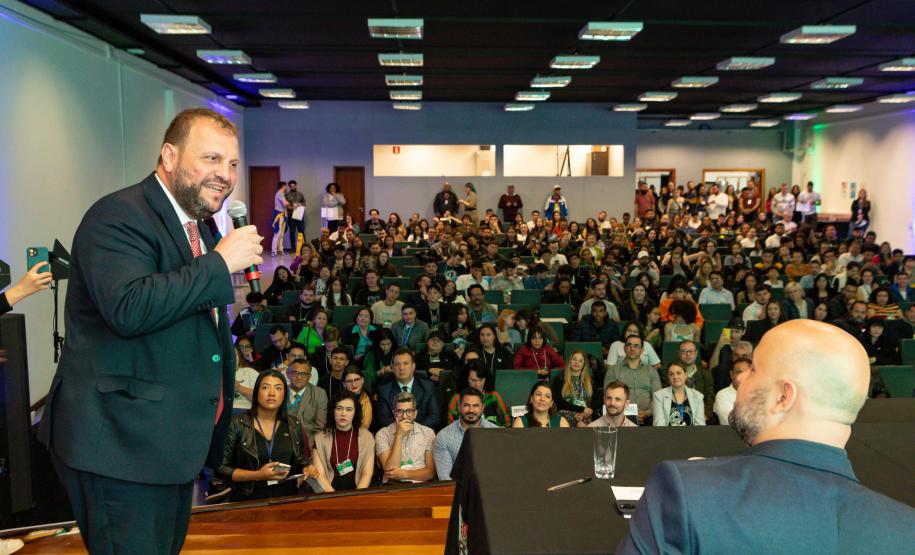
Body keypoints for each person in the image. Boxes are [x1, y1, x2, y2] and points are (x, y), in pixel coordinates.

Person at [37, 108, 264, 553]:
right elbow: (128, 306)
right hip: (121, 446)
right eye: (212, 159)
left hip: (166, 446)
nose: (225, 175)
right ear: (169, 155)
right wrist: (219, 263)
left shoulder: (195, 224)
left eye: (233, 163)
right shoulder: (118, 216)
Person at [618, 320, 915, 553]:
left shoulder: (684, 491)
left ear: (783, 395)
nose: (741, 378)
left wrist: (702, 478)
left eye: (755, 369)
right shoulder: (906, 530)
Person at [217, 370, 319, 502]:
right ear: (256, 392)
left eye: (278, 388)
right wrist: (258, 475)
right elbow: (221, 468)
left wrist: (308, 468)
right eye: (265, 387)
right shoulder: (237, 423)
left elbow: (301, 461)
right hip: (247, 500)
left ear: (284, 394)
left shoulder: (294, 424)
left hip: (287, 499)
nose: (272, 393)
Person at [312, 391, 375, 491]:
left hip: (359, 490)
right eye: (339, 408)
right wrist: (334, 499)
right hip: (329, 491)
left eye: (349, 409)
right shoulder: (320, 438)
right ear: (333, 411)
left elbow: (367, 473)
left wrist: (356, 498)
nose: (343, 413)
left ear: (355, 412)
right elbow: (320, 475)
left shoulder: (367, 437)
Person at [434, 387, 500, 480]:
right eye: (466, 405)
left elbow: (500, 470)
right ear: (459, 406)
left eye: (476, 405)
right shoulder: (443, 436)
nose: (471, 410)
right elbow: (445, 478)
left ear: (482, 408)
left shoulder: (497, 433)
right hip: (458, 491)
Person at [375, 391, 437, 483]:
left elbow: (431, 473)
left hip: (421, 486)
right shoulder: (382, 434)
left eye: (409, 411)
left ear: (415, 413)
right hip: (394, 486)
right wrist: (398, 436)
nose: (404, 416)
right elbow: (390, 471)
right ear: (394, 413)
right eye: (399, 411)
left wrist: (404, 474)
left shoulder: (428, 433)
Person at [375, 348, 441, 429]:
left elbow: (434, 417)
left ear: (413, 366)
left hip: (422, 432)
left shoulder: (428, 386)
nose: (401, 368)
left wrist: (414, 429)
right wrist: (402, 428)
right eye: (397, 364)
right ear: (392, 368)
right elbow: (384, 420)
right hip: (395, 432)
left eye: (405, 363)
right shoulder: (383, 389)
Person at [604, 334, 661, 424]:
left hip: (648, 417)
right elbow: (609, 397)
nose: (632, 348)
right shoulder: (613, 370)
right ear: (624, 348)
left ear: (642, 350)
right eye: (629, 345)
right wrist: (628, 415)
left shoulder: (651, 370)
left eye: (636, 346)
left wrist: (647, 413)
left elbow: (658, 397)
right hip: (620, 416)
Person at [552, 350, 602, 427]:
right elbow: (558, 401)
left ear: (584, 364)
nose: (577, 362)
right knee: (580, 424)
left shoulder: (591, 380)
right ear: (569, 361)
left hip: (587, 413)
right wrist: (581, 409)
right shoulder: (560, 379)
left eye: (580, 361)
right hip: (566, 412)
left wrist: (589, 410)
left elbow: (598, 399)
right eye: (574, 359)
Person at [651, 362, 706, 426]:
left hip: (692, 435)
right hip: (666, 435)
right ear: (668, 378)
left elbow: (700, 424)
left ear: (685, 375)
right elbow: (659, 424)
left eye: (678, 373)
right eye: (671, 374)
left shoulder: (698, 396)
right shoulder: (659, 396)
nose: (675, 377)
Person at [285, 358, 328, 438]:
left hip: (308, 443)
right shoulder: (280, 392)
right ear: (288, 374)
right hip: (283, 441)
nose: (299, 377)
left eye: (304, 374)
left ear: (309, 377)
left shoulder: (319, 394)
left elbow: (320, 427)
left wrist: (312, 447)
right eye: (295, 373)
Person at [285, 180, 306, 254]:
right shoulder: (287, 195)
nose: (293, 187)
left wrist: (300, 204)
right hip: (291, 215)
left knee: (301, 231)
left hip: (299, 214)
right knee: (292, 232)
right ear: (289, 187)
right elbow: (285, 205)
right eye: (291, 186)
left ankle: (304, 247)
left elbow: (304, 203)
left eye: (294, 186)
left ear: (296, 186)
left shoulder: (300, 194)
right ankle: (293, 248)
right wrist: (291, 206)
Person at [271, 181, 289, 256]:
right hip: (278, 215)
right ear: (283, 186)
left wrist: (287, 202)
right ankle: (273, 251)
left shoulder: (282, 194)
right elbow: (285, 204)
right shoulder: (280, 193)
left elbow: (285, 204)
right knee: (277, 234)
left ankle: (280, 250)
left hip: (283, 215)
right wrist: (288, 202)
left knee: (281, 234)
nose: (287, 187)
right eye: (286, 186)